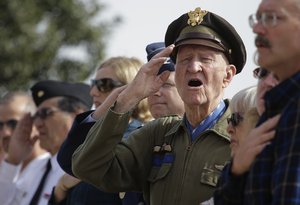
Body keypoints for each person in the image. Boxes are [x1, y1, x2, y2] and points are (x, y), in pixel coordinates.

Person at [72, 7, 247, 205]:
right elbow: (87, 168)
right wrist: (128, 99)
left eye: (205, 59)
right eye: (185, 60)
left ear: (228, 75)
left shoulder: (244, 132)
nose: (193, 67)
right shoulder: (159, 133)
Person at [53, 57, 152, 205]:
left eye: (103, 85)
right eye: (93, 84)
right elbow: (67, 159)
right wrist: (60, 190)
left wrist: (121, 103)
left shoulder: (139, 137)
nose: (93, 92)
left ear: (132, 88)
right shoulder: (92, 133)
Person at [0, 81, 92, 205]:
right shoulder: (36, 168)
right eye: (36, 116)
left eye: (45, 113)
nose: (37, 123)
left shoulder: (83, 169)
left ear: (77, 114)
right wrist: (12, 161)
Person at [0, 91, 49, 204]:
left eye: (13, 124)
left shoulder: (52, 168)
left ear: (35, 122)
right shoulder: (6, 168)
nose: (5, 133)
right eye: (0, 125)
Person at [146, 42, 185, 118]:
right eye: (151, 86)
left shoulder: (206, 128)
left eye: (166, 85)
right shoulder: (143, 130)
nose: (156, 92)